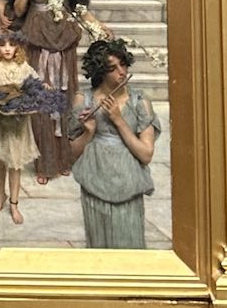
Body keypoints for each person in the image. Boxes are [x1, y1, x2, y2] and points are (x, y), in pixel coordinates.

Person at [4, 0, 102, 185]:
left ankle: (63, 159)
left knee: (63, 100)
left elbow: (81, 11)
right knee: (42, 102)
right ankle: (44, 163)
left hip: (63, 45)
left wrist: (99, 27)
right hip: (39, 43)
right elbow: (17, 11)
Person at [67, 38, 161, 248]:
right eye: (112, 68)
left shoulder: (139, 102)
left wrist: (119, 121)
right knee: (98, 245)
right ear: (100, 71)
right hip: (95, 178)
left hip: (128, 181)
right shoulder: (84, 100)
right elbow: (72, 154)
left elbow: (146, 154)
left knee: (130, 244)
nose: (121, 72)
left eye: (123, 64)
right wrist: (88, 132)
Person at [0, 34, 45, 224]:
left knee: (15, 164)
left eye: (12, 45)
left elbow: (36, 84)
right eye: (3, 45)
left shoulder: (23, 67)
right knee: (0, 161)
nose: (7, 49)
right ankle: (1, 195)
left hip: (19, 124)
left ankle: (14, 203)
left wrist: (43, 87)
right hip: (1, 121)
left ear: (17, 48)